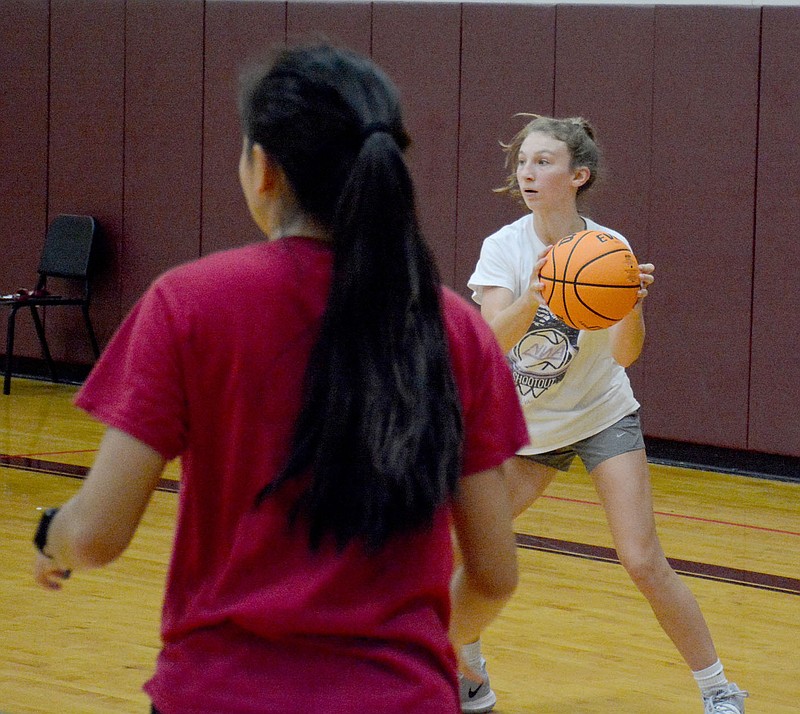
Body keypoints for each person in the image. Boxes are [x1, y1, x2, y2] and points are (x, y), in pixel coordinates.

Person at [32, 45, 529, 713]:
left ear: (263, 169)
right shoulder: (453, 327)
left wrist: (52, 536)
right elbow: (495, 577)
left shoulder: (190, 304)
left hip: (220, 695)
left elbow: (94, 534)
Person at [463, 114, 748, 714]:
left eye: (543, 162)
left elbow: (625, 353)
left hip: (600, 415)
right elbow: (488, 338)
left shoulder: (608, 249)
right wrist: (542, 289)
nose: (527, 173)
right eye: (522, 163)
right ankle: (469, 673)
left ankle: (719, 688)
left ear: (577, 175)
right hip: (529, 428)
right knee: (460, 553)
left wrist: (632, 304)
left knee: (642, 559)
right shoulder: (505, 247)